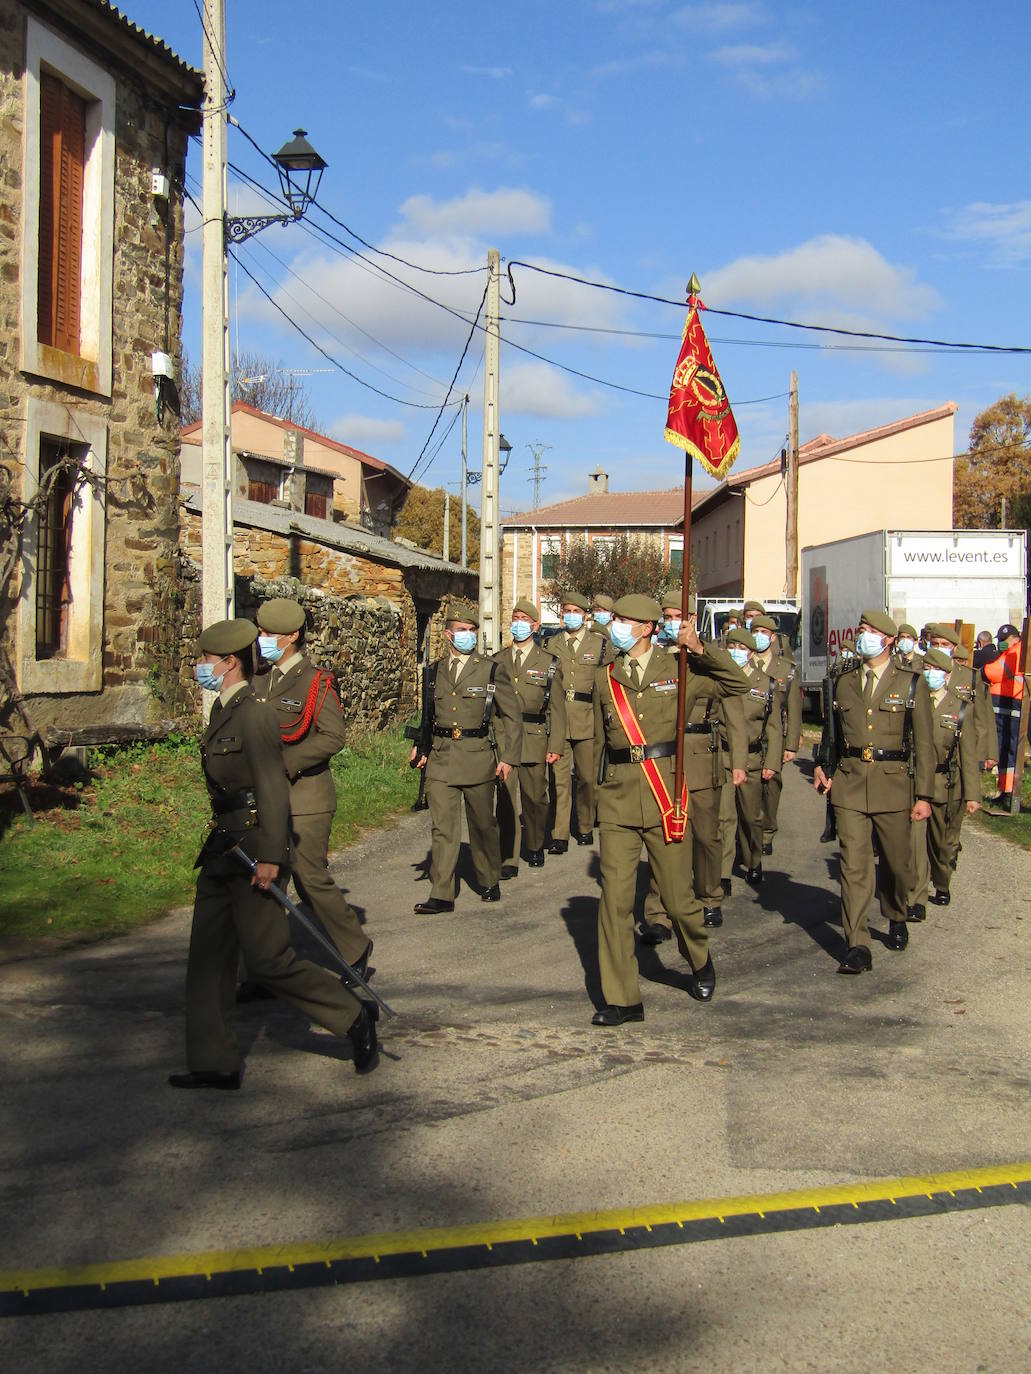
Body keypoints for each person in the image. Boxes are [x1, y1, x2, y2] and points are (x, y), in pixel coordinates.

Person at [170, 618, 378, 1089]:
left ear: (227, 663)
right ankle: (212, 1062)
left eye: (205, 660)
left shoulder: (256, 713)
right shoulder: (223, 710)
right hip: (222, 846)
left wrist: (271, 856)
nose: (199, 666)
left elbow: (271, 788)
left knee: (268, 962)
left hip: (252, 847)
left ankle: (352, 1016)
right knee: (207, 958)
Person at [591, 595, 750, 1025]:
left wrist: (699, 648)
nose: (615, 626)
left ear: (645, 628)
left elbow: (738, 684)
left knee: (679, 902)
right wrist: (593, 802)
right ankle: (623, 998)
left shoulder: (680, 669)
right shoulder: (606, 677)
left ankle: (699, 959)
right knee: (616, 902)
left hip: (666, 799)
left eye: (623, 621)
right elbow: (596, 745)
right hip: (619, 800)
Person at [242, 598, 372, 1005]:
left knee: (308, 877)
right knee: (266, 883)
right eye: (259, 633)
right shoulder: (259, 681)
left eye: (268, 635)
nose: (261, 641)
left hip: (306, 798)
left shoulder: (315, 681)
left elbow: (333, 736)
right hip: (265, 800)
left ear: (292, 636)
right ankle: (265, 967)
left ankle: (354, 949)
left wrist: (287, 763)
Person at [813, 610, 935, 973]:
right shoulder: (843, 680)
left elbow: (925, 745)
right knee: (854, 866)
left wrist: (924, 796)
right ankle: (858, 944)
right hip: (850, 783)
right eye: (860, 630)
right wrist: (823, 765)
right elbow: (830, 730)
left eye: (868, 631)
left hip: (893, 784)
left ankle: (896, 912)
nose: (862, 636)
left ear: (887, 639)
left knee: (897, 864)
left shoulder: (912, 683)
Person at [638, 588, 748, 940]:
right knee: (665, 835)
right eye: (666, 617)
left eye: (677, 617)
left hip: (701, 755)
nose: (672, 623)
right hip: (664, 756)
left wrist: (698, 649)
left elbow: (735, 696)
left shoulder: (706, 660)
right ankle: (658, 912)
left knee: (705, 835)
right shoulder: (652, 659)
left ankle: (709, 894)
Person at [411, 600, 522, 913]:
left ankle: (488, 878)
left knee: (482, 824)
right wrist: (422, 748)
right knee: (443, 828)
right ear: (448, 635)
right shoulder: (433, 672)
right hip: (442, 758)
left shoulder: (490, 670)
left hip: (477, 757)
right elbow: (429, 716)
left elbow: (510, 716)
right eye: (462, 631)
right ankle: (442, 893)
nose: (468, 635)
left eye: (472, 630)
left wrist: (509, 757)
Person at [493, 599, 566, 876]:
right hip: (504, 739)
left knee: (536, 798)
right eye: (515, 617)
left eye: (524, 618)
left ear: (535, 626)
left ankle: (535, 844)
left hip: (535, 738)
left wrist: (556, 745)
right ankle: (508, 858)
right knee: (506, 801)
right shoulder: (498, 661)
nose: (518, 623)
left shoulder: (548, 663)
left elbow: (558, 710)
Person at [907, 648, 980, 918]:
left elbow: (968, 756)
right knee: (916, 844)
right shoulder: (913, 700)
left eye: (934, 670)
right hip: (916, 782)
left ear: (947, 675)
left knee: (941, 844)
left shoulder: (960, 708)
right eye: (925, 669)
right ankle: (916, 899)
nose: (928, 674)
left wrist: (972, 795)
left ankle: (942, 881)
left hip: (945, 784)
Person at [548, 592, 613, 852]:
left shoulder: (599, 646)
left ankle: (585, 825)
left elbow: (608, 684)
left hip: (588, 719)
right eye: (567, 611)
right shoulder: (551, 644)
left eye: (576, 611)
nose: (571, 615)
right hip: (560, 717)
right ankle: (559, 834)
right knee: (559, 780)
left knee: (587, 778)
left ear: (586, 615)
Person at [723, 628, 781, 885]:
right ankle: (722, 874)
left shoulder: (765, 683)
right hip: (723, 757)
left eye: (741, 648)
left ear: (750, 652)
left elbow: (774, 728)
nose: (736, 652)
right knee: (723, 818)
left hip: (752, 759)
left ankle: (753, 859)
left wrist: (772, 763)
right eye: (731, 646)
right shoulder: (720, 679)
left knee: (750, 816)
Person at [750, 613, 802, 856]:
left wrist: (791, 744)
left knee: (771, 785)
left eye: (763, 633)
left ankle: (768, 830)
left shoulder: (786, 668)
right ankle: (749, 832)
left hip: (774, 737)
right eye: (754, 632)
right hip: (748, 734)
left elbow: (793, 708)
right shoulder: (742, 664)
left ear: (772, 638)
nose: (758, 637)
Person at [980, 624, 1025, 804]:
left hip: (1011, 705)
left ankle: (1009, 791)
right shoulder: (1013, 651)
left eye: (1004, 641)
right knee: (1004, 748)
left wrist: (983, 671)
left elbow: (995, 672)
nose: (1002, 645)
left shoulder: (1016, 652)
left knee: (1009, 748)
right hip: (1005, 705)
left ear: (1015, 639)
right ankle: (1005, 789)